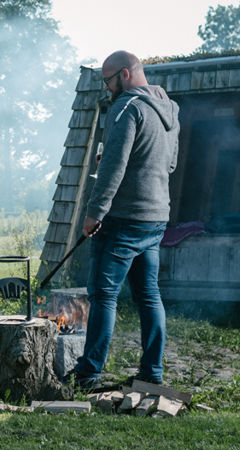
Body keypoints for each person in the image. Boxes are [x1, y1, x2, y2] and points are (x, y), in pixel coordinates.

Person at [71, 50, 180, 390]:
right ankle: (153, 373)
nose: (107, 89)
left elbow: (114, 169)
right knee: (148, 295)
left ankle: (89, 373)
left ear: (126, 74)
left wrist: (94, 213)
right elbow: (169, 165)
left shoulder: (126, 107)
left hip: (124, 218)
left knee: (104, 295)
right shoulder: (171, 111)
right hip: (156, 217)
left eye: (108, 81)